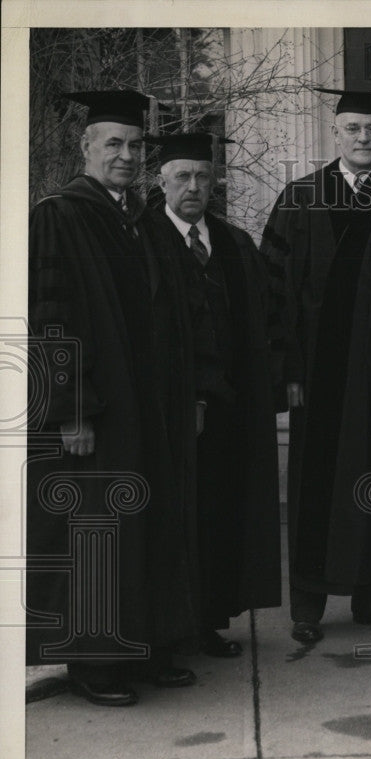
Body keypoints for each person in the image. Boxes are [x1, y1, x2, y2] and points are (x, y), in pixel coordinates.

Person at [26, 90, 211, 705]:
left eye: (135, 146)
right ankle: (93, 666)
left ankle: (145, 648)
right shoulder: (59, 214)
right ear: (85, 148)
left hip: (145, 409)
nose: (126, 155)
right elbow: (51, 322)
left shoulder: (137, 220)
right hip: (96, 413)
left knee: (145, 526)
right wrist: (71, 409)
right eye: (113, 144)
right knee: (95, 531)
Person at [260, 88, 371, 644]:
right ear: (336, 132)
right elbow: (272, 292)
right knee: (313, 486)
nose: (364, 138)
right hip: (316, 375)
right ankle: (308, 605)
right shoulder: (298, 199)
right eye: (353, 129)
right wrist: (287, 371)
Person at [145, 132, 285, 658]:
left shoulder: (233, 244)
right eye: (182, 176)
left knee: (218, 516)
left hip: (228, 411)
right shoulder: (145, 239)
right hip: (172, 410)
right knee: (174, 519)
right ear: (161, 181)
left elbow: (262, 322)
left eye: (203, 176)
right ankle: (168, 631)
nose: (194, 186)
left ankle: (206, 622)